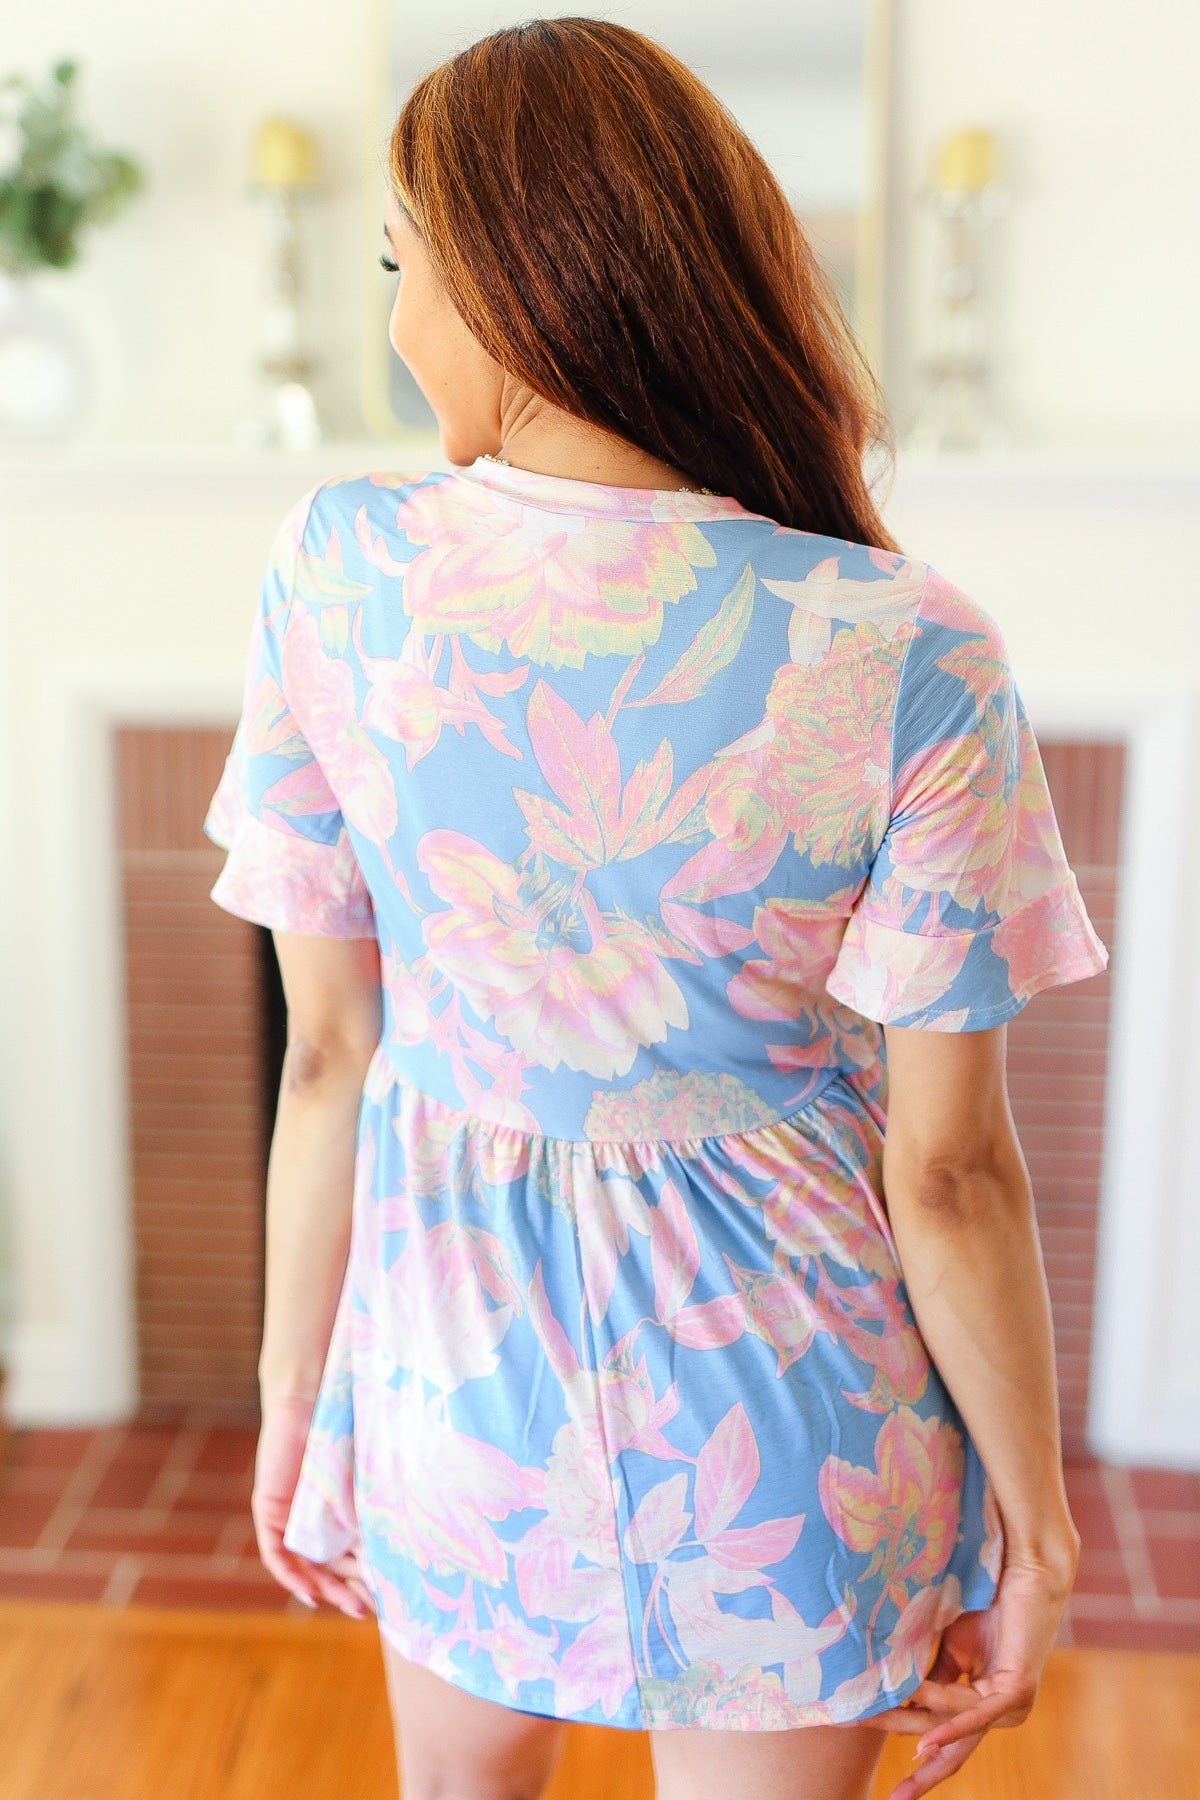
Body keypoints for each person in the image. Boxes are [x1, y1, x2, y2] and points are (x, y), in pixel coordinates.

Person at [203, 19, 1108, 1800]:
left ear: (507, 282)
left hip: (456, 1378)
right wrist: (1041, 1533)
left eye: (400, 270)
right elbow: (946, 1174)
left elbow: (326, 1058)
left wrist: (295, 1401)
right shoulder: (907, 646)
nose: (400, 326)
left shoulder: (340, 569)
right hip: (796, 1415)